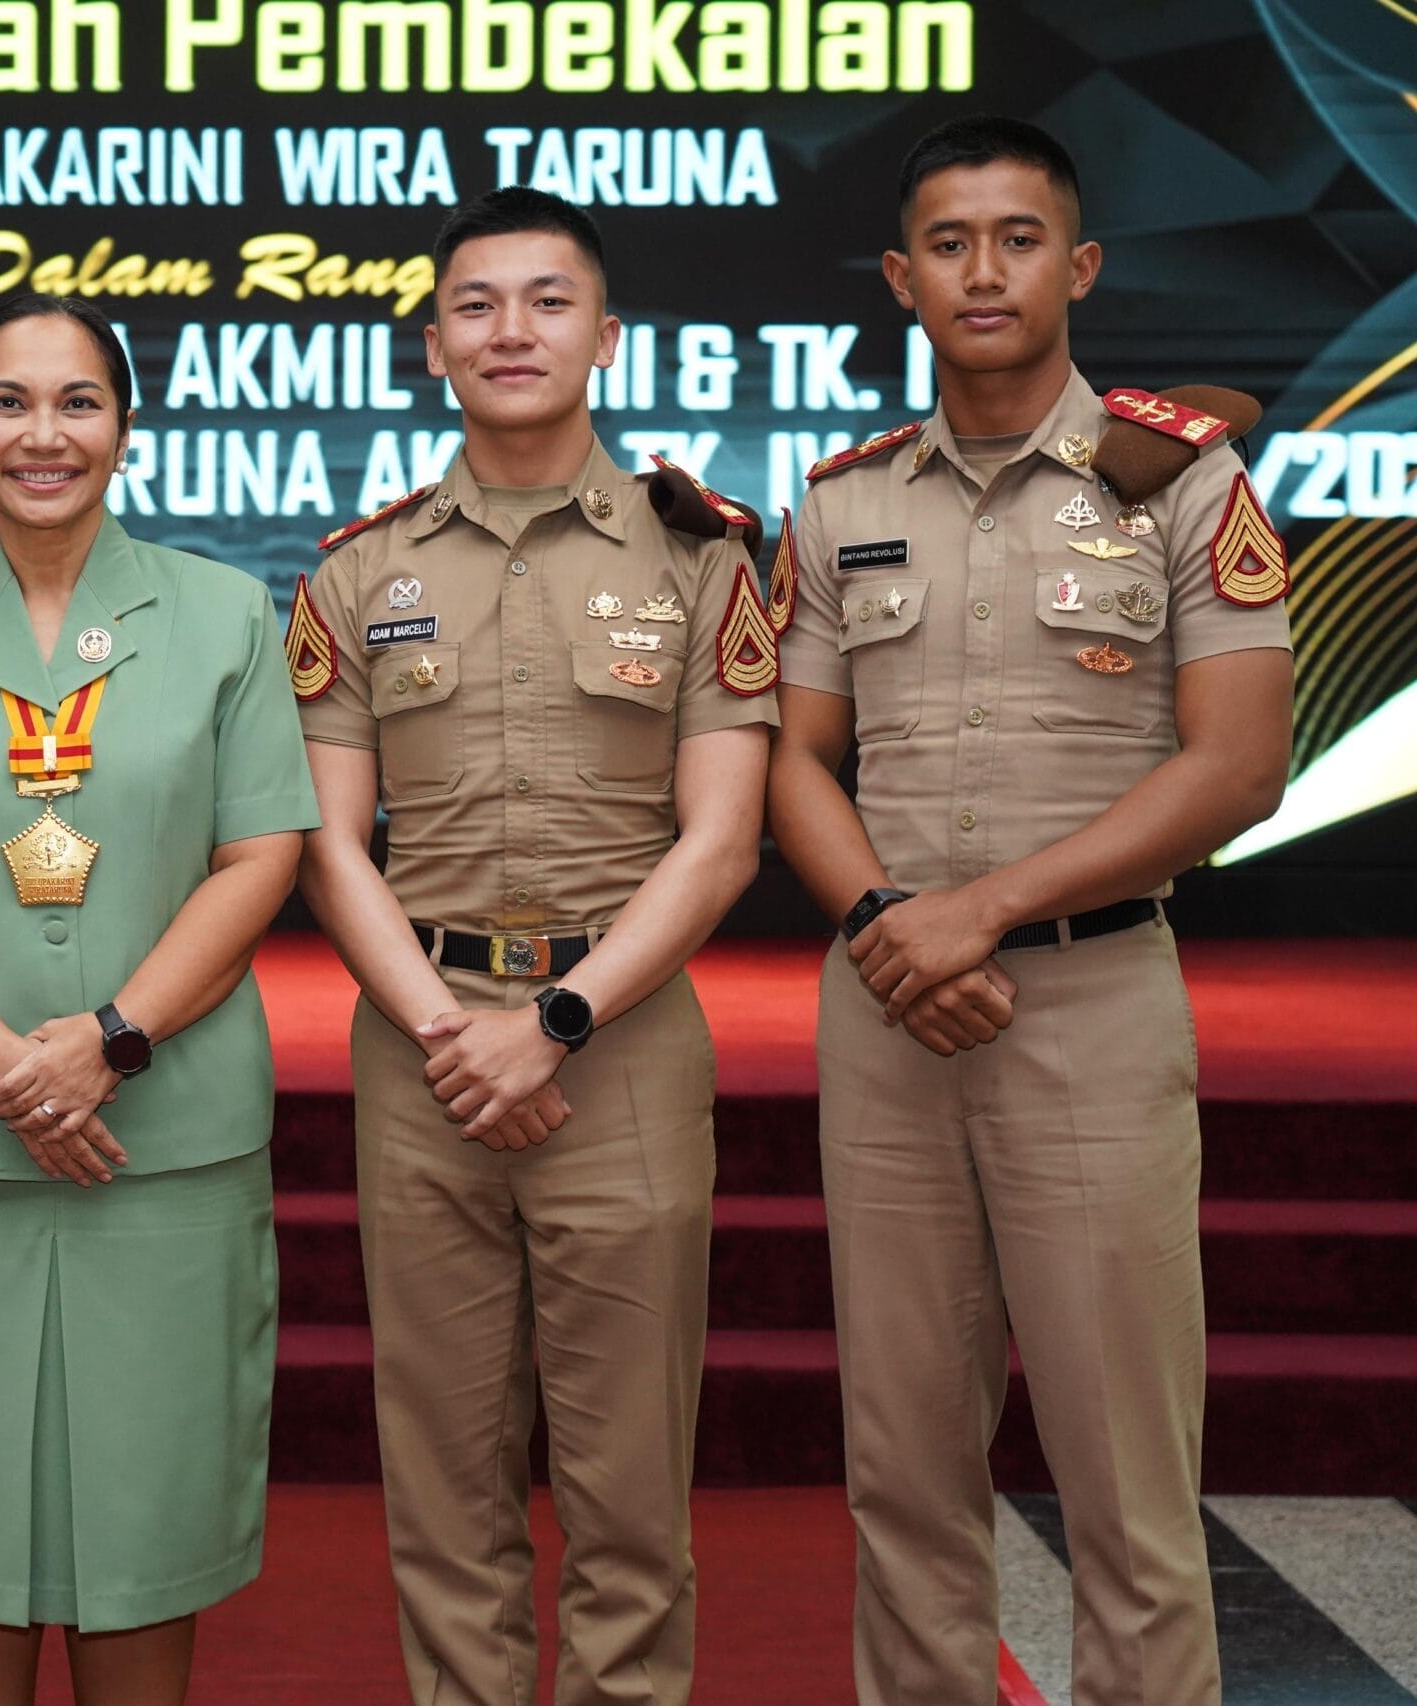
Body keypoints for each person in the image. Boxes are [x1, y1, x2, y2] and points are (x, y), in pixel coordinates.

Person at [765, 115, 1293, 1706]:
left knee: (1128, 1485)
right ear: (899, 278)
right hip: (888, 1015)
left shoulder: (1185, 482)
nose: (982, 270)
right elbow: (791, 756)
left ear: (1081, 265)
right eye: (948, 243)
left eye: (1017, 238)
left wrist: (973, 913)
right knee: (904, 1472)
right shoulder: (840, 499)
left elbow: (1240, 766)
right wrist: (891, 924)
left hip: (1092, 1007)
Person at [294, 187, 778, 1706]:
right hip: (420, 1047)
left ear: (607, 337)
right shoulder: (358, 571)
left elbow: (722, 839)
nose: (513, 330)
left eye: (549, 301)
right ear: (433, 344)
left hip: (620, 1043)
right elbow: (328, 844)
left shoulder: (702, 557)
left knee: (629, 1490)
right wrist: (455, 1032)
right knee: (443, 1483)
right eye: (477, 304)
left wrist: (553, 1022)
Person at [0, 292, 318, 1706]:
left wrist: (113, 1038)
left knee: (149, 1527)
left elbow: (260, 856)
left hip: (167, 1143)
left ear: (127, 430)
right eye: (9, 402)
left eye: (79, 402)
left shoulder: (223, 614)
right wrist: (7, 1068)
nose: (45, 434)